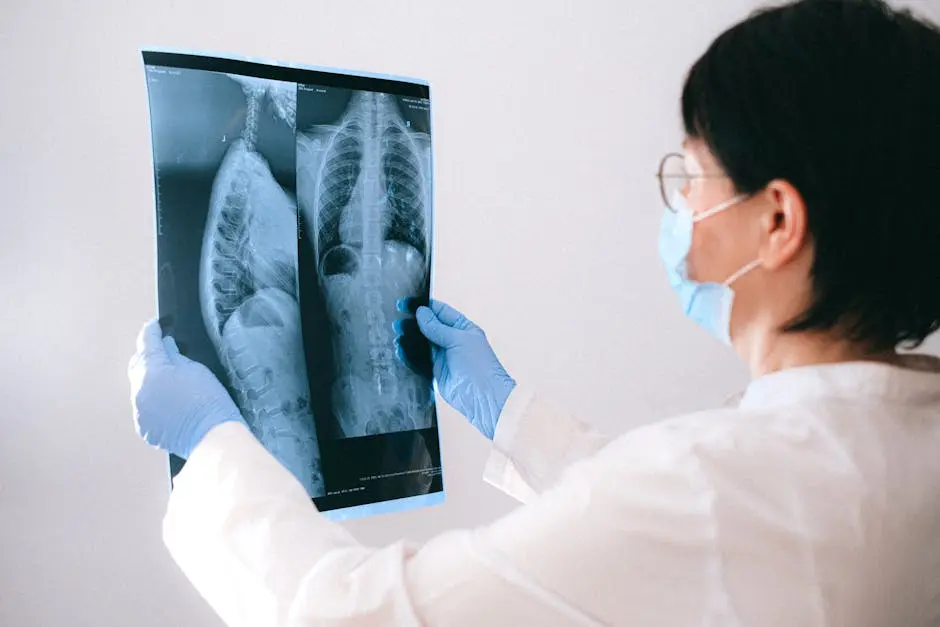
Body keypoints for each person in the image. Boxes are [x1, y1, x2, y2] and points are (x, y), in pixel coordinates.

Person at [128, 0, 940, 624]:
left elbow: (349, 613)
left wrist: (215, 450)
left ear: (777, 222)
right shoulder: (904, 435)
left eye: (691, 175)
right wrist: (512, 412)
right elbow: (681, 532)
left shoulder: (710, 485)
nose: (679, 203)